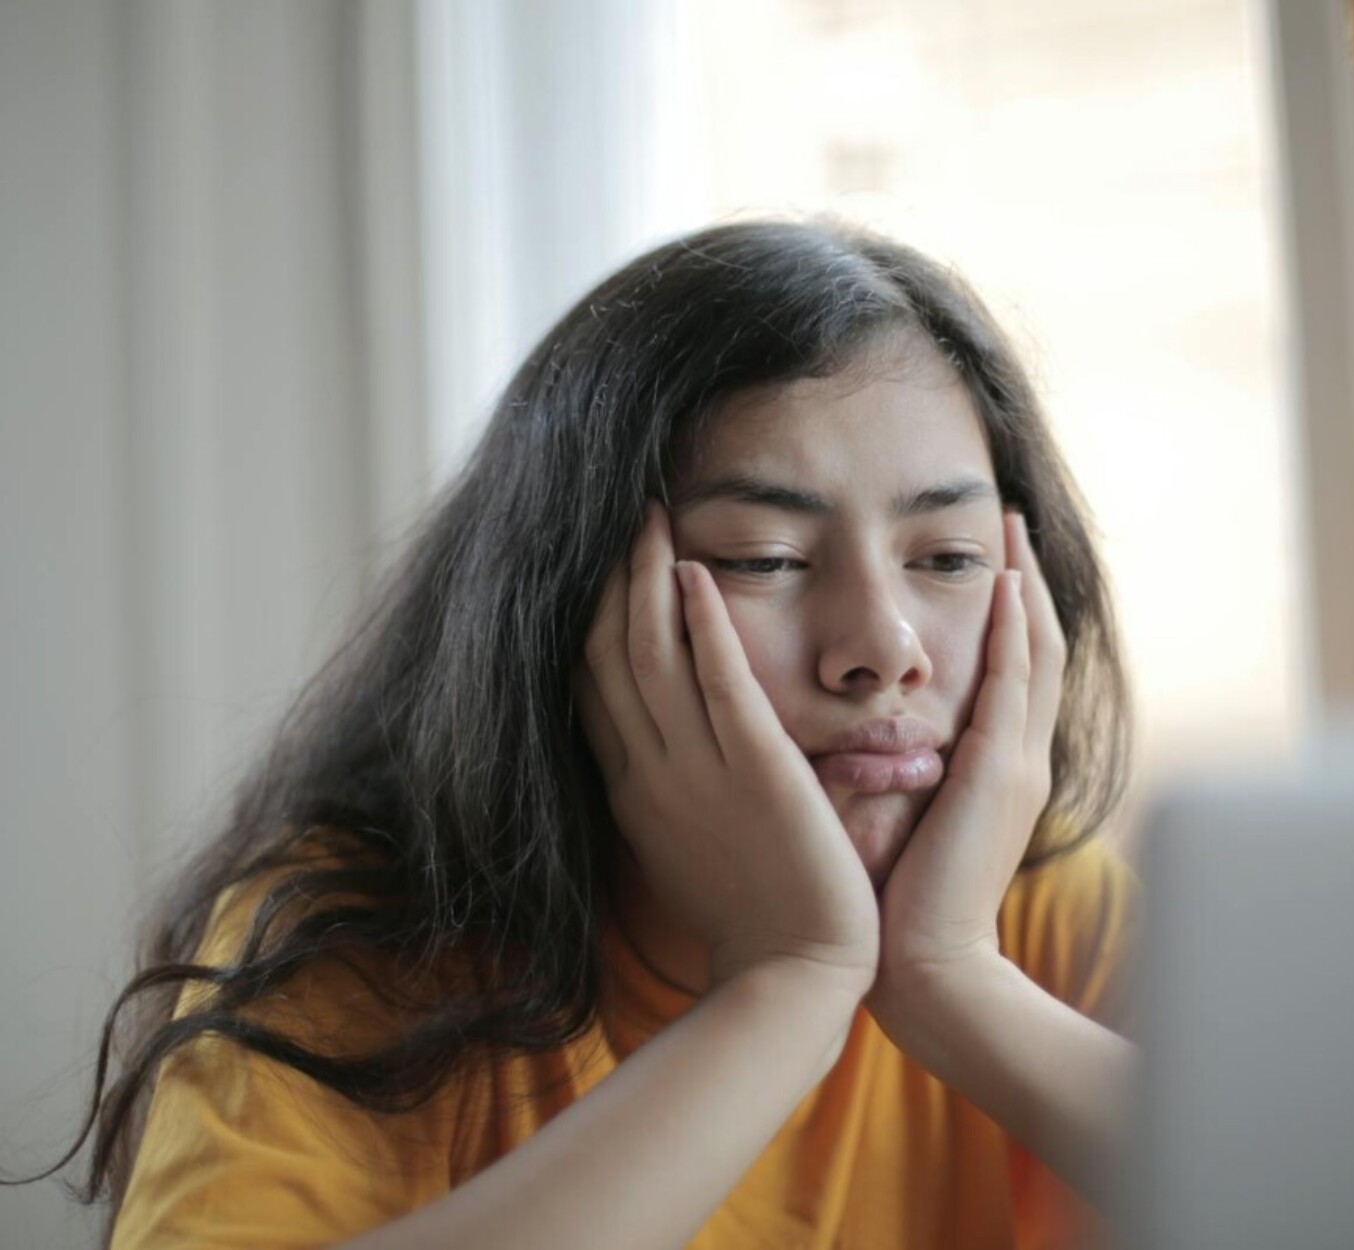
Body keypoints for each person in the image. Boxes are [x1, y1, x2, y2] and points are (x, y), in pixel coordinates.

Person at [39, 220, 1139, 1249]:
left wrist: (953, 974)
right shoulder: (360, 942)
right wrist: (788, 979)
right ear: (576, 611)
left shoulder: (1039, 912)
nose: (885, 647)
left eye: (946, 558)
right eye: (763, 556)